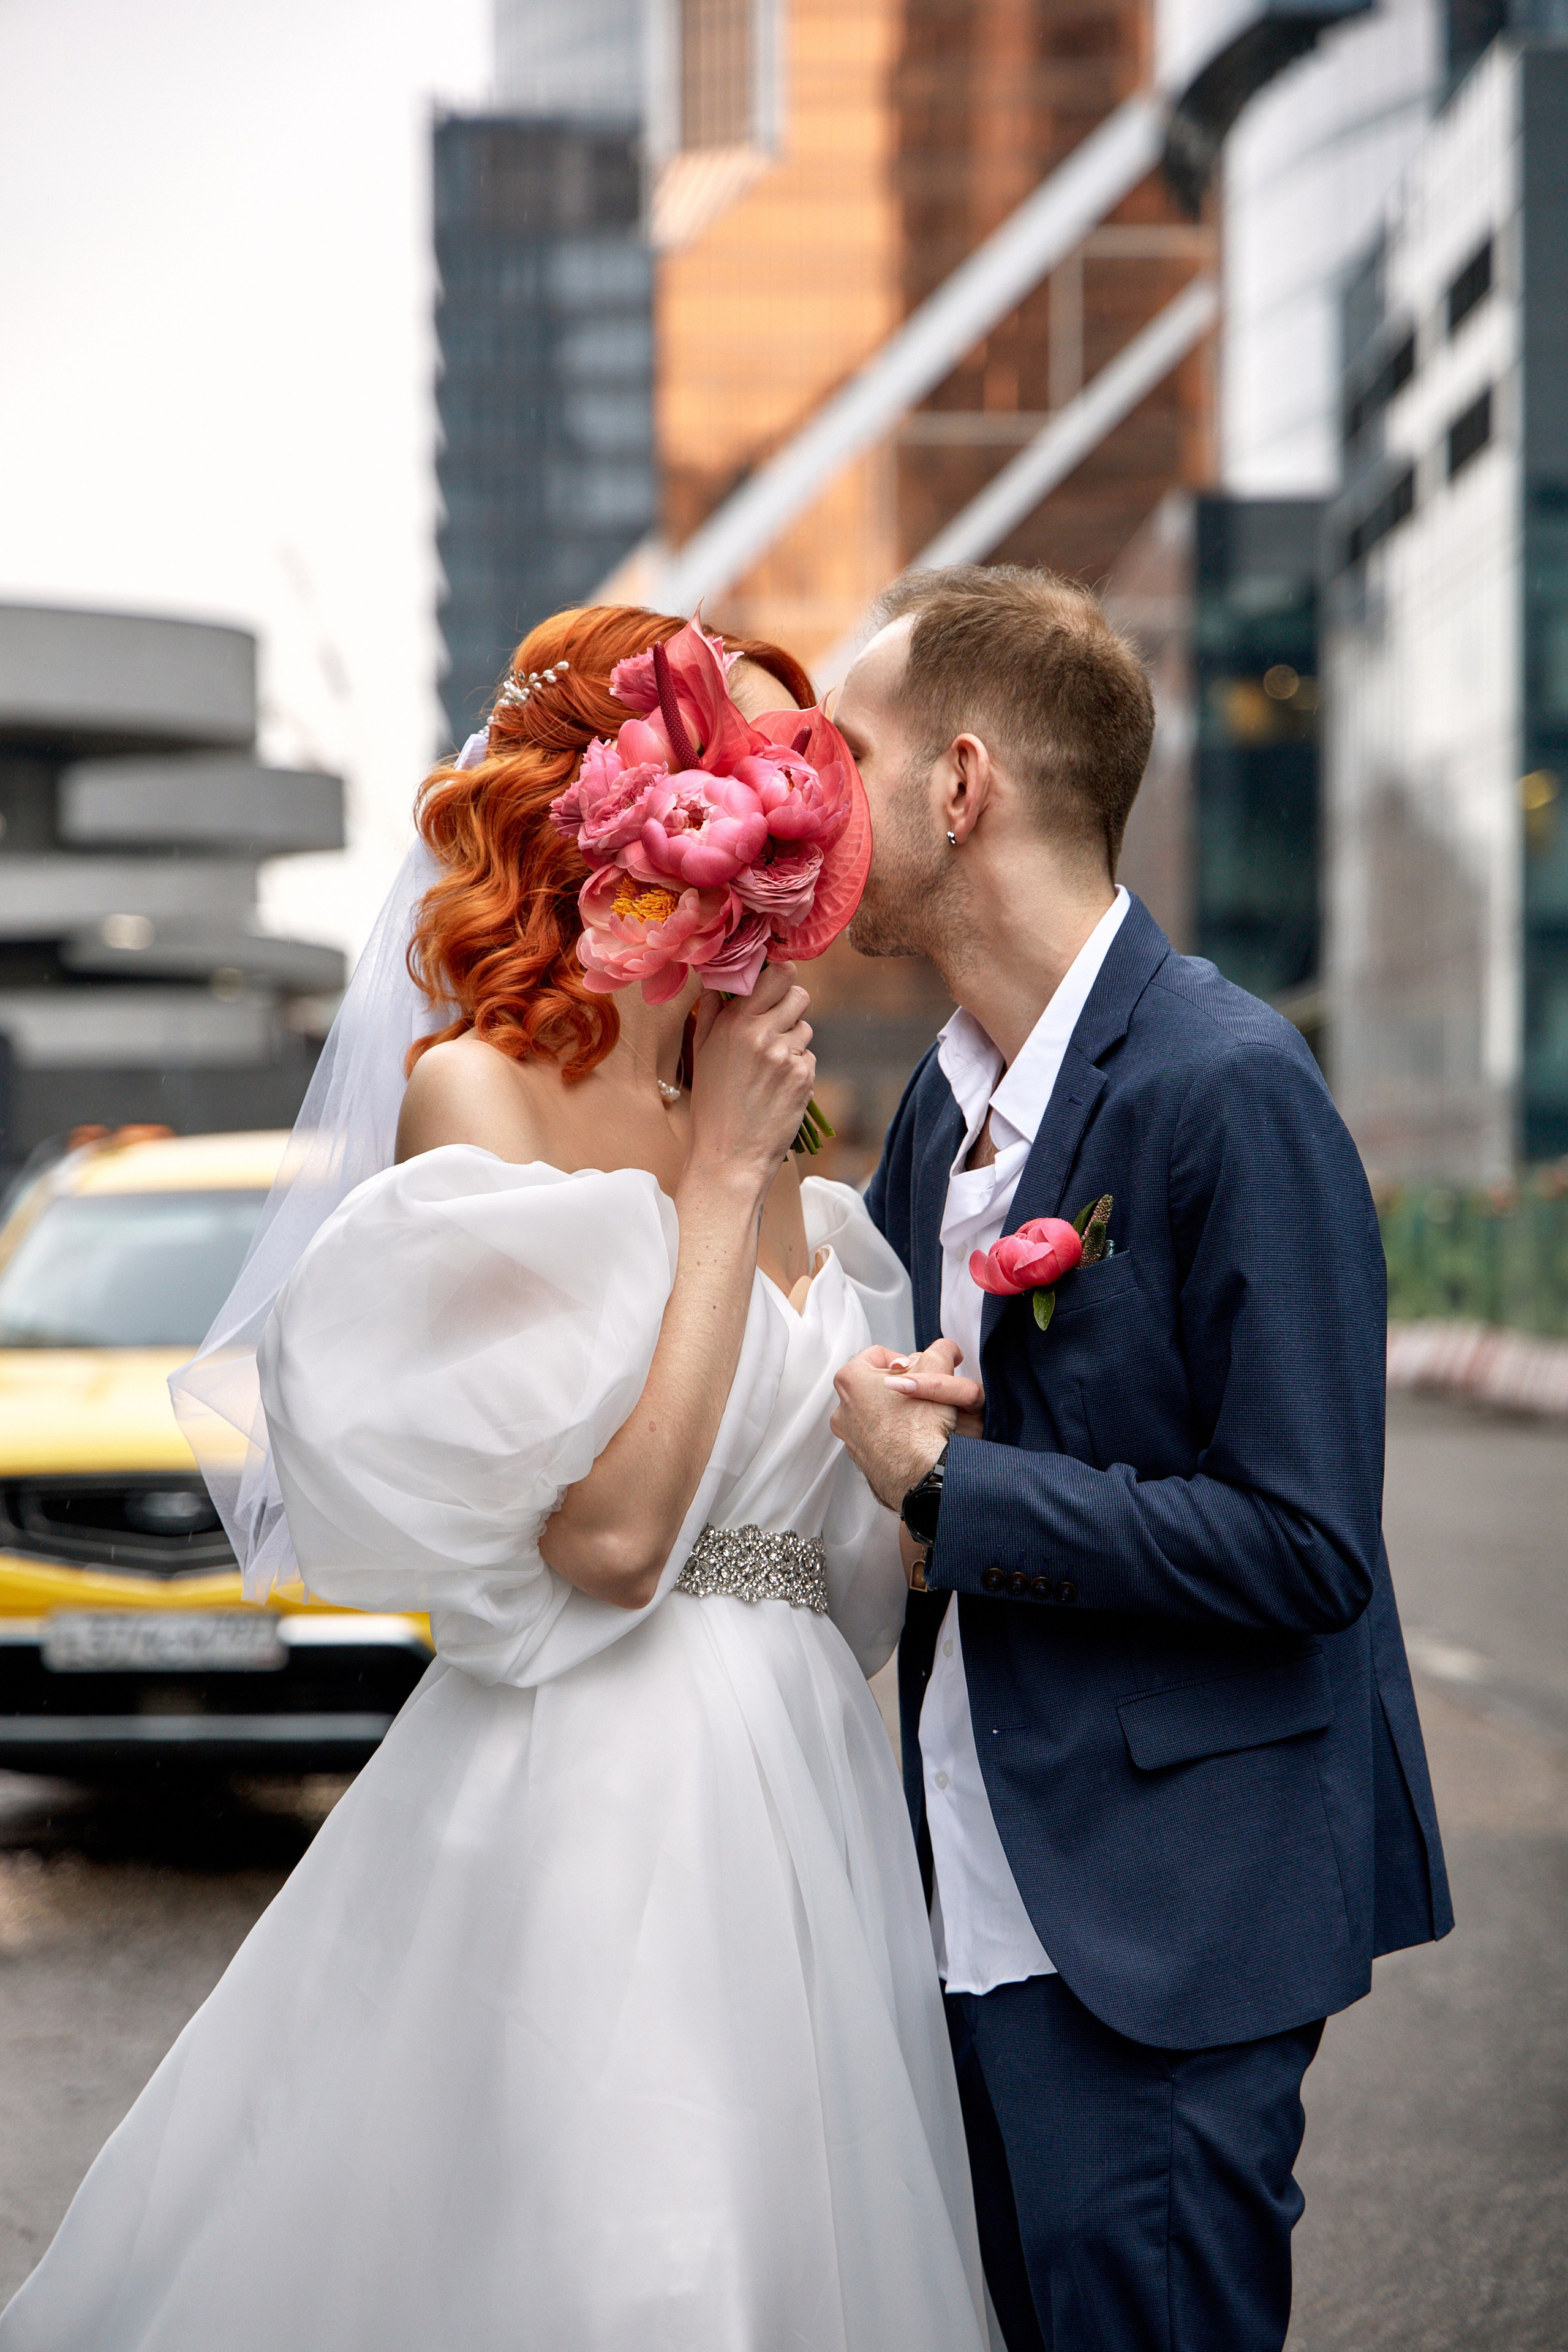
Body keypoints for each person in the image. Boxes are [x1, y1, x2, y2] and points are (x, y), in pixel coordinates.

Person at [0, 606, 992, 2352]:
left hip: (806, 1792)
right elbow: (613, 1544)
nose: (788, 798)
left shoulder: (770, 1123)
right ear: (620, 806)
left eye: (804, 772)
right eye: (744, 757)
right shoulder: (484, 1099)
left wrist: (905, 1453)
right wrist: (717, 1183)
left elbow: (835, 1591)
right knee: (637, 2263)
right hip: (602, 1787)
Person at [828, 565, 1453, 2352]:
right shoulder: (942, 1102)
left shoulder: (1231, 1084)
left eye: (846, 754)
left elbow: (1307, 1546)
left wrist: (950, 1492)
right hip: (964, 1888)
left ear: (960, 785)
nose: (812, 795)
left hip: (1159, 1924)